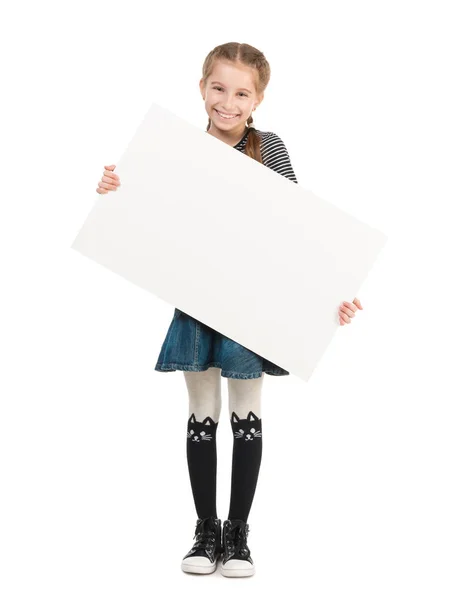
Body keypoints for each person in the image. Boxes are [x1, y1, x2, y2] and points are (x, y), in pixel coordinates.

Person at [96, 41, 363, 578]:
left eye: (241, 93)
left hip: (251, 304)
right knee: (201, 412)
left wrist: (331, 292)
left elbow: (299, 228)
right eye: (218, 88)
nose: (228, 101)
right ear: (202, 88)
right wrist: (115, 192)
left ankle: (238, 534)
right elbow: (147, 224)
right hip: (197, 302)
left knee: (246, 410)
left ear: (257, 99)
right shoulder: (174, 151)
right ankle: (205, 529)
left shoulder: (269, 148)